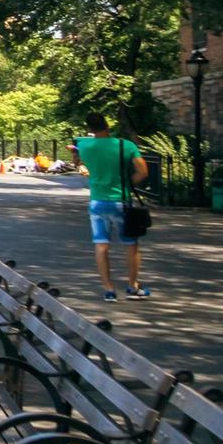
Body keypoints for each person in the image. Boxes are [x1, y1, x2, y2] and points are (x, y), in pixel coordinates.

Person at [69, 112, 149, 302]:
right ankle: (132, 286)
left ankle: (108, 289)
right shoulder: (125, 145)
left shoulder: (84, 145)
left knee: (101, 245)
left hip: (97, 202)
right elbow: (142, 171)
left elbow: (75, 152)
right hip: (121, 201)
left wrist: (76, 155)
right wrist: (128, 185)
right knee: (131, 245)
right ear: (107, 125)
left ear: (89, 129)